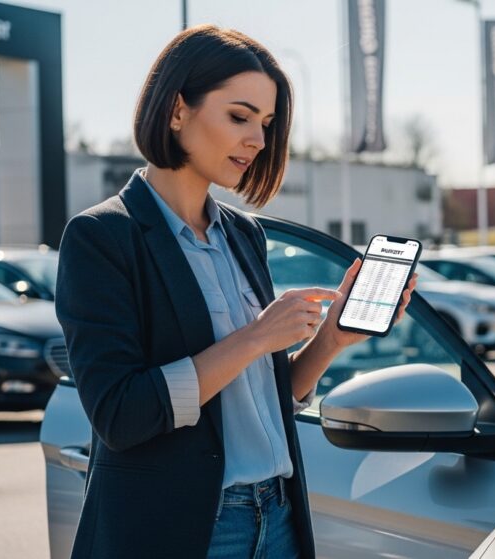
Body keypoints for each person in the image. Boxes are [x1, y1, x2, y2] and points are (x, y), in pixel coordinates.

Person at [54, 24, 417, 559]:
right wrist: (253, 338)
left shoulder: (244, 234)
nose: (258, 140)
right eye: (239, 116)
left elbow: (258, 404)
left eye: (267, 124)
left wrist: (330, 342)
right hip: (182, 531)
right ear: (178, 110)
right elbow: (120, 415)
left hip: (279, 518)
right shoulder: (102, 237)